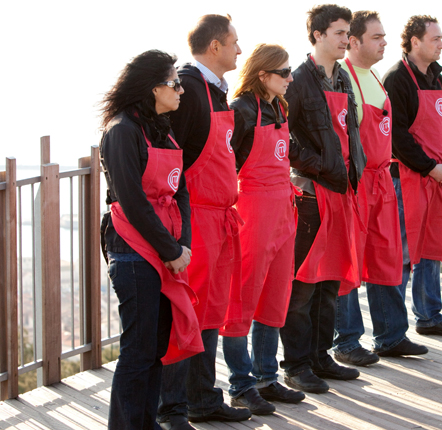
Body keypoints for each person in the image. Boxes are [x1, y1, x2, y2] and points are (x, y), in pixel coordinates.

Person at [157, 15, 251, 430]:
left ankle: (203, 397)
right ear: (214, 46)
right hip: (195, 215)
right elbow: (172, 157)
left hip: (219, 217)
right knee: (185, 312)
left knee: (210, 311)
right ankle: (172, 407)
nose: (239, 51)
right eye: (234, 43)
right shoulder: (190, 89)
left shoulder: (215, 90)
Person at [99, 49, 199, 430]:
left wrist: (182, 245)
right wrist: (171, 249)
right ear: (153, 88)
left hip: (165, 250)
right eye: (174, 83)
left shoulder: (162, 127)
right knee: (138, 350)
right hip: (132, 251)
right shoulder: (122, 131)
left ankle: (147, 422)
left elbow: (181, 192)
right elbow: (133, 202)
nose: (180, 91)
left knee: (157, 348)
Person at [279, 4, 367, 395]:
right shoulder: (297, 81)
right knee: (302, 286)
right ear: (316, 35)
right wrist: (319, 166)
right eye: (338, 32)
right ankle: (296, 365)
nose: (346, 39)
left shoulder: (343, 79)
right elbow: (285, 139)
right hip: (311, 193)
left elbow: (350, 131)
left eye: (347, 32)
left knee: (330, 280)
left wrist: (353, 169)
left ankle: (320, 356)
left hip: (341, 190)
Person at [333, 10, 429, 366]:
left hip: (382, 180)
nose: (384, 43)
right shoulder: (342, 77)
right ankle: (346, 340)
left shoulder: (373, 76)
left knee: (387, 257)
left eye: (384, 37)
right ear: (353, 42)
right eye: (376, 37)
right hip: (357, 182)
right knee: (350, 260)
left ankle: (390, 335)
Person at [219, 43, 305, 415]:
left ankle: (267, 378)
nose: (290, 78)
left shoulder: (278, 107)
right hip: (252, 212)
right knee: (241, 298)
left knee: (274, 296)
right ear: (262, 75)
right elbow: (225, 167)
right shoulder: (240, 111)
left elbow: (291, 151)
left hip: (282, 211)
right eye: (284, 73)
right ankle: (241, 384)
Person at [382, 15, 442, 340]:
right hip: (406, 178)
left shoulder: (438, 80)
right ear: (415, 41)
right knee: (404, 252)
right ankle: (393, 331)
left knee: (432, 247)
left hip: (439, 177)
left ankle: (429, 315)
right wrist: (429, 167)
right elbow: (397, 136)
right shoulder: (395, 79)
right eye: (436, 39)